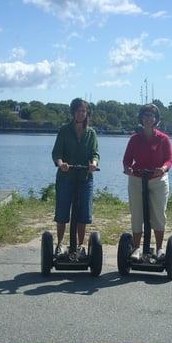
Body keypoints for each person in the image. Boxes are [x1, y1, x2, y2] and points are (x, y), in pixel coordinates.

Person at [122, 103, 172, 261]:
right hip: (137, 179)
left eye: (151, 116)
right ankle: (137, 248)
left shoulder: (163, 139)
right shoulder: (135, 139)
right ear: (141, 118)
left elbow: (169, 160)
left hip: (158, 180)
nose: (148, 119)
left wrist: (163, 169)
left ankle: (159, 248)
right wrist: (128, 168)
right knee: (137, 214)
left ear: (156, 119)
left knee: (158, 215)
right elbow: (127, 160)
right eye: (145, 115)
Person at [51, 98, 99, 259]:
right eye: (78, 110)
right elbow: (56, 153)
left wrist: (93, 164)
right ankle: (59, 244)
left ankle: (80, 245)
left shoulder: (91, 133)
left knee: (83, 213)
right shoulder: (64, 130)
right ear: (73, 112)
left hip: (85, 177)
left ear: (87, 113)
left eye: (84, 111)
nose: (81, 113)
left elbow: (95, 153)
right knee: (62, 212)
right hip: (66, 177)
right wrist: (61, 164)